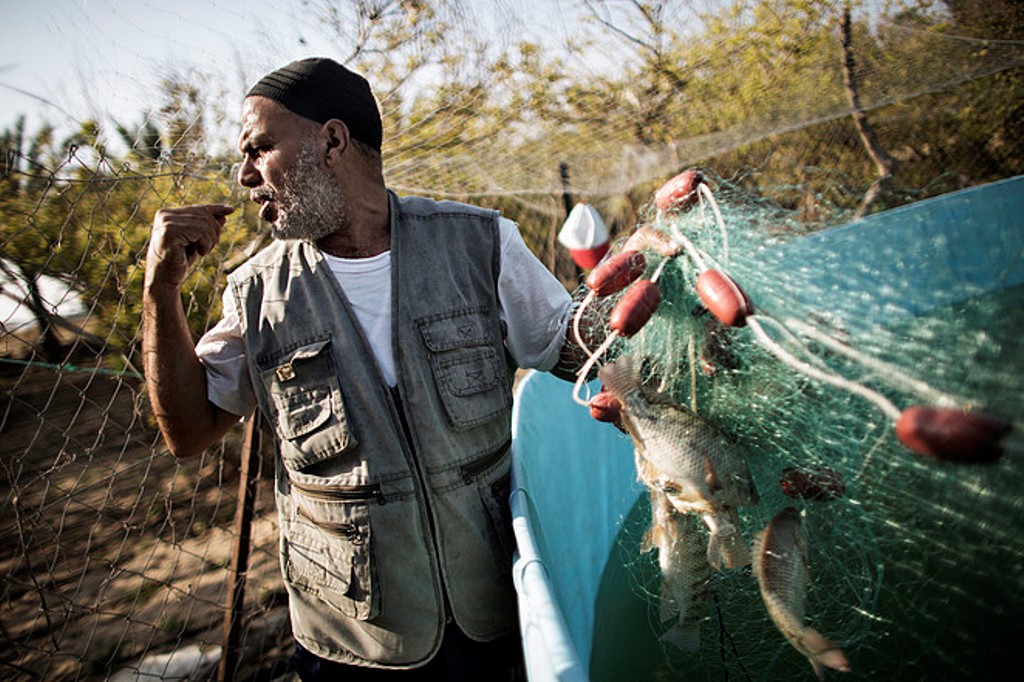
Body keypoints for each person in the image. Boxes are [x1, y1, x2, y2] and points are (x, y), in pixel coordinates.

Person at [142, 57, 593, 681]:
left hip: (498, 611)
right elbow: (187, 433)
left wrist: (646, 302)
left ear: (332, 140)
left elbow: (579, 353)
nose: (244, 177)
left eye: (260, 148)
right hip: (350, 641)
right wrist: (160, 291)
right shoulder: (254, 293)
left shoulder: (480, 244)